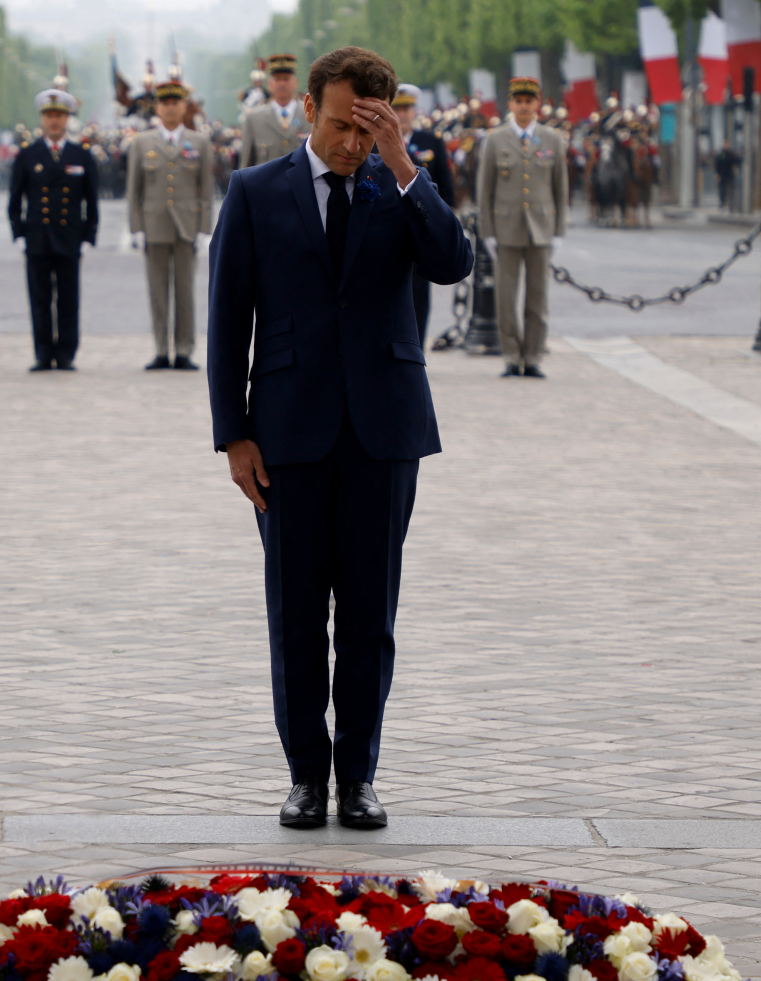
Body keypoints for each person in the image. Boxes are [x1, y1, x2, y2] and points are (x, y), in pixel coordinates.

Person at [206, 46, 471, 829]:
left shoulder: (399, 186)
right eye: (337, 125)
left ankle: (358, 776)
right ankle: (304, 777)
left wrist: (401, 161)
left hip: (383, 431)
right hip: (286, 433)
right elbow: (227, 324)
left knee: (368, 617)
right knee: (294, 615)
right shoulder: (255, 192)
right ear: (307, 110)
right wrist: (233, 436)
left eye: (366, 129)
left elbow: (453, 264)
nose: (349, 144)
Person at [474, 76, 565, 378]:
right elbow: (484, 190)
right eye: (518, 101)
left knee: (538, 298)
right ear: (510, 104)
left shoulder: (552, 139)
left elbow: (560, 189)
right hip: (505, 229)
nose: (524, 107)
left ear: (537, 104)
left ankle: (534, 356)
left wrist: (559, 231)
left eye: (529, 101)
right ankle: (512, 356)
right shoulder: (495, 139)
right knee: (505, 297)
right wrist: (486, 231)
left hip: (541, 227)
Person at [8, 88, 99, 371]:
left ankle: (67, 352)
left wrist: (88, 236)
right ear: (42, 118)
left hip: (69, 236)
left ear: (67, 118)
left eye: (59, 115)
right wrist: (19, 234)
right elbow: (15, 199)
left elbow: (91, 201)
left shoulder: (81, 155)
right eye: (49, 115)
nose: (54, 121)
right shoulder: (27, 154)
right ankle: (43, 352)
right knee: (40, 298)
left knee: (69, 299)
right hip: (37, 236)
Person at [127, 79, 214, 371]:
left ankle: (184, 350)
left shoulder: (199, 141)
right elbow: (133, 189)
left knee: (185, 291)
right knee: (157, 292)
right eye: (165, 103)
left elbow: (206, 189)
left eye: (176, 103)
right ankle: (162, 349)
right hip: (154, 225)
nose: (171, 108)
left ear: (184, 106)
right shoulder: (141, 142)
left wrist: (205, 229)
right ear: (158, 107)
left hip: (187, 226)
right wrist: (135, 227)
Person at [394, 83, 453, 341]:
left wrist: (441, 226)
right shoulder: (374, 142)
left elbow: (446, 189)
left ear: (414, 110)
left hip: (421, 229)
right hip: (389, 227)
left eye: (406, 108)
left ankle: (417, 348)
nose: (402, 114)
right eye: (396, 108)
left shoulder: (431, 141)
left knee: (419, 292)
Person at [238, 54, 310, 168]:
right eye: (277, 79)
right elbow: (246, 165)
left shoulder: (311, 115)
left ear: (296, 82)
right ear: (269, 84)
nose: (282, 83)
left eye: (286, 79)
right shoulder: (254, 119)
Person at [714, 141, 740, 211]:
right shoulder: (721, 154)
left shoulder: (730, 153)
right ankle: (722, 202)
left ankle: (730, 202)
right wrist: (717, 173)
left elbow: (736, 160)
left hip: (729, 173)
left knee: (731, 188)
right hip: (722, 174)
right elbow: (717, 163)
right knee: (722, 189)